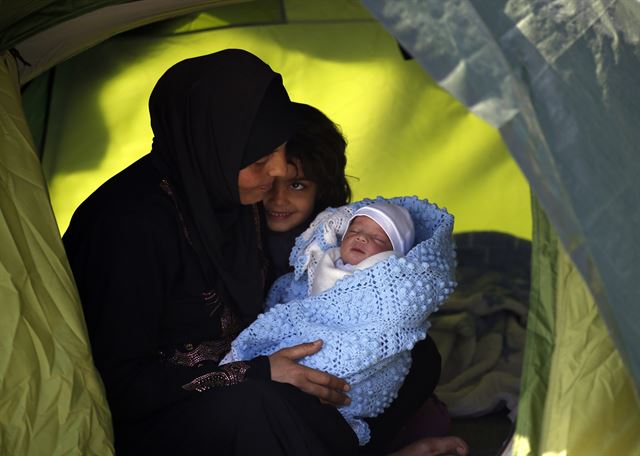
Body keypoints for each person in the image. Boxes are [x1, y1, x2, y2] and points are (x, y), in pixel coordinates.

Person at [63, 49, 360, 456]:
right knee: (256, 405)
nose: (278, 172)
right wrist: (254, 373)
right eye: (258, 159)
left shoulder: (232, 198)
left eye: (280, 149)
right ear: (207, 149)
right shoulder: (126, 224)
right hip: (154, 419)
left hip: (253, 380)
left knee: (400, 359)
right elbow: (116, 385)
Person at [260, 104, 469, 456]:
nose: (278, 199)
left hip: (340, 363)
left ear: (321, 186)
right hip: (280, 365)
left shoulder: (334, 232)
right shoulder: (241, 234)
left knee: (419, 356)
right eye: (269, 183)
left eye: (297, 184)